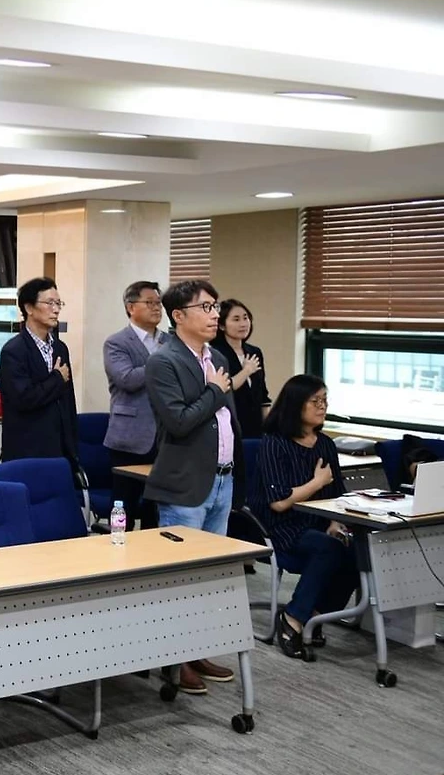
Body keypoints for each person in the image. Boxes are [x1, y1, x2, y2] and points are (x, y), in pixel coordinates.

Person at [144, 279, 239, 693]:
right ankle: (173, 661)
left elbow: (226, 419)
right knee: (179, 580)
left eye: (216, 306)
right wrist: (215, 390)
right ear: (179, 316)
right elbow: (179, 421)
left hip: (223, 477)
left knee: (207, 577)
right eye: (206, 307)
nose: (215, 314)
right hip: (185, 482)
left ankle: (196, 650)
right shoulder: (163, 362)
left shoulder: (216, 356)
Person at [250, 374, 357, 660]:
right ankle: (293, 619)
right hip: (280, 526)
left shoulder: (325, 444)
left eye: (325, 400)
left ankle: (315, 614)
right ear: (296, 405)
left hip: (317, 522)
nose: (322, 406)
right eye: (315, 401)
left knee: (357, 549)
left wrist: (335, 522)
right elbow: (278, 502)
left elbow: (337, 493)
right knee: (328, 548)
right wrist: (316, 483)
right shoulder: (274, 444)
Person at [103, 280, 170, 529]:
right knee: (124, 504)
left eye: (158, 303)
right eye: (149, 302)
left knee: (157, 505)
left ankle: (152, 549)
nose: (156, 308)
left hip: (165, 436)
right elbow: (127, 379)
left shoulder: (170, 341)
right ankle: (118, 545)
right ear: (131, 307)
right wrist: (161, 359)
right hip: (129, 437)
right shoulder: (117, 342)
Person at [0, 277, 77, 463]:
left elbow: (68, 401)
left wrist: (73, 447)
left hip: (59, 448)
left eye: (58, 303)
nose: (56, 309)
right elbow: (23, 398)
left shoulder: (60, 348)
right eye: (49, 303)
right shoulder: (13, 351)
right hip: (27, 448)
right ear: (29, 308)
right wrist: (56, 378)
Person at [210, 299, 270, 439]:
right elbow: (225, 388)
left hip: (256, 427)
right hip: (231, 426)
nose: (243, 324)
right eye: (236, 319)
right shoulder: (216, 354)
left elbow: (262, 394)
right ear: (222, 325)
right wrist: (246, 371)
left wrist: (267, 428)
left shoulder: (254, 352)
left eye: (245, 318)